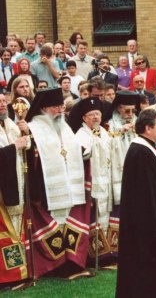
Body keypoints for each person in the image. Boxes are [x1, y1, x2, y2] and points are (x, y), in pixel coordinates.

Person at [19, 87, 90, 279]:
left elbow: (73, 147)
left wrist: (83, 150)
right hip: (45, 187)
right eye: (55, 107)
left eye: (61, 106)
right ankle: (55, 265)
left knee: (67, 222)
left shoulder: (64, 126)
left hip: (69, 185)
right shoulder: (34, 126)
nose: (60, 111)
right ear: (44, 108)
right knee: (55, 223)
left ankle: (70, 262)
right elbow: (31, 153)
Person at [116, 109, 156, 298]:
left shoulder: (145, 148)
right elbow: (147, 193)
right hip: (148, 228)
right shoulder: (141, 152)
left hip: (150, 224)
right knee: (147, 275)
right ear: (148, 128)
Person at [69, 97, 116, 267]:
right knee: (93, 217)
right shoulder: (80, 134)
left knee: (104, 215)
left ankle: (105, 253)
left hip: (106, 180)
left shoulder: (104, 132)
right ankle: (92, 255)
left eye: (97, 114)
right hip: (91, 181)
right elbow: (81, 153)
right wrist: (92, 146)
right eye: (91, 115)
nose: (95, 117)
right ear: (84, 118)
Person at [0, 91, 29, 287]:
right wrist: (14, 148)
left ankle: (18, 273)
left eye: (4, 101)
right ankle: (6, 277)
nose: (2, 104)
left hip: (16, 184)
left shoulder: (11, 125)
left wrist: (26, 134)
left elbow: (25, 147)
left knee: (17, 229)